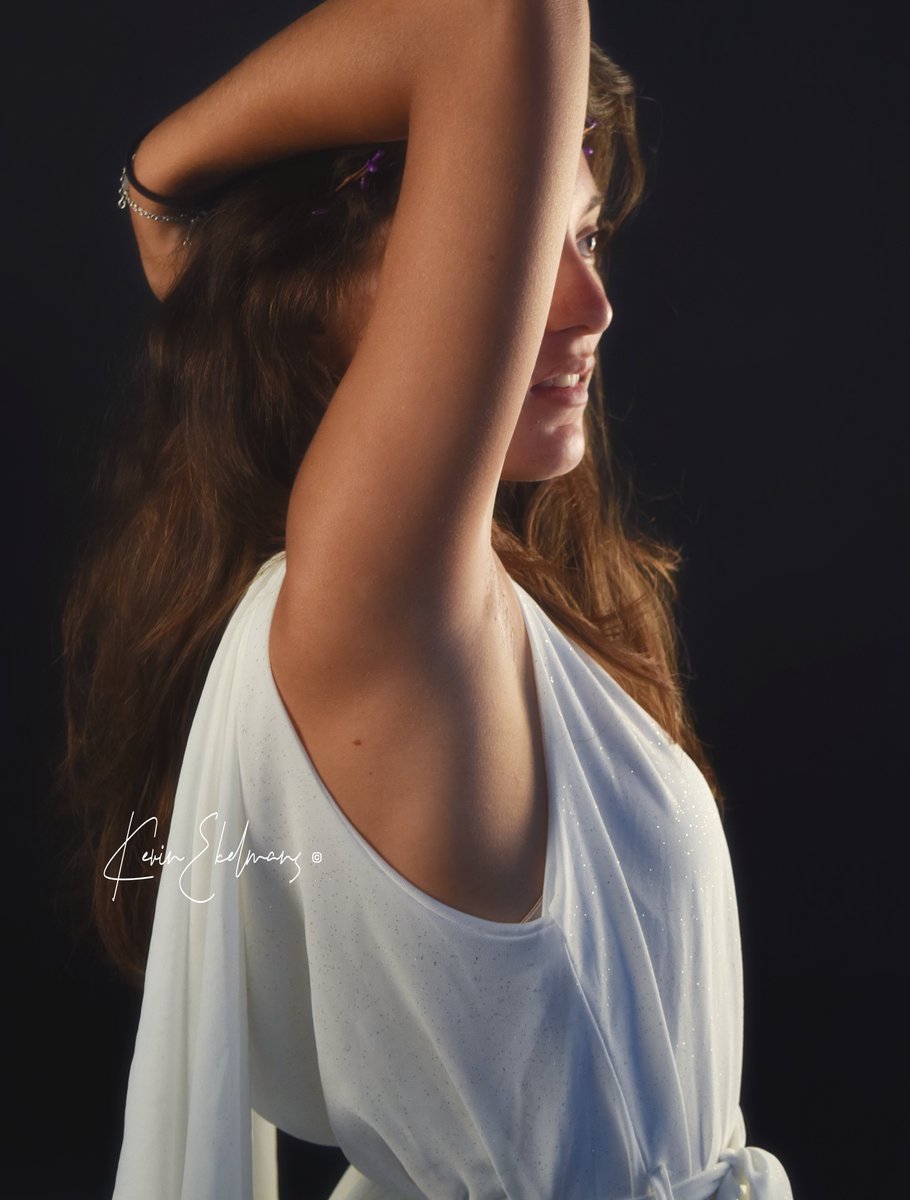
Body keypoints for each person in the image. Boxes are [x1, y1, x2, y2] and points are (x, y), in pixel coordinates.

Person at [58, 0, 795, 1196]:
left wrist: (174, 198)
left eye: (589, 240)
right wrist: (161, 174)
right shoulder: (376, 600)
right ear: (311, 295)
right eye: (518, 246)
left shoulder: (474, 608)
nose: (586, 307)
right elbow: (502, 19)